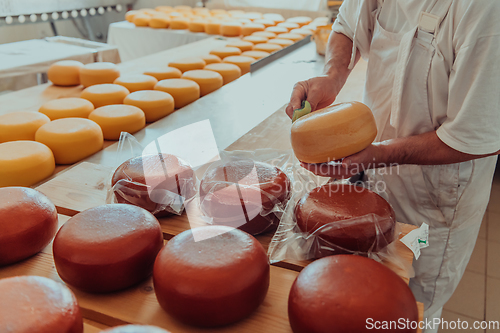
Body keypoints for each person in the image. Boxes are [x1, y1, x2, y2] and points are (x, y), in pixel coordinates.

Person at [286, 1, 500, 332]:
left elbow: (473, 137)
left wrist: (382, 154)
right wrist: (333, 75)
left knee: (412, 305)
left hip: (436, 196)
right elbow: (349, 24)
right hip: (376, 171)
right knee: (368, 291)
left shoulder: (486, 12)